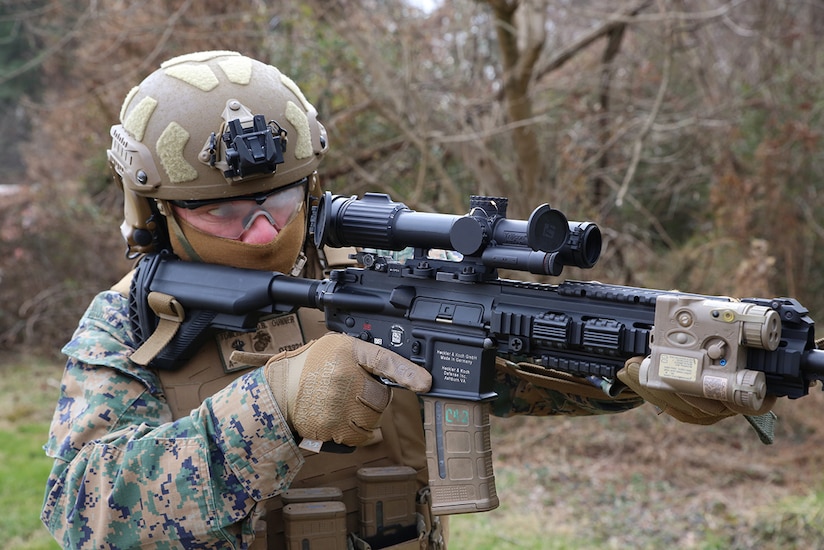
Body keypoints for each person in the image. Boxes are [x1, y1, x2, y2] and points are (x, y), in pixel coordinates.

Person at [41, 51, 738, 549]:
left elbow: (510, 368)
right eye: (224, 213)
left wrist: (628, 374)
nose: (263, 231)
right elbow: (83, 511)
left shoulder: (388, 275)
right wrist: (271, 409)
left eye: (280, 201)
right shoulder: (132, 321)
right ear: (155, 211)